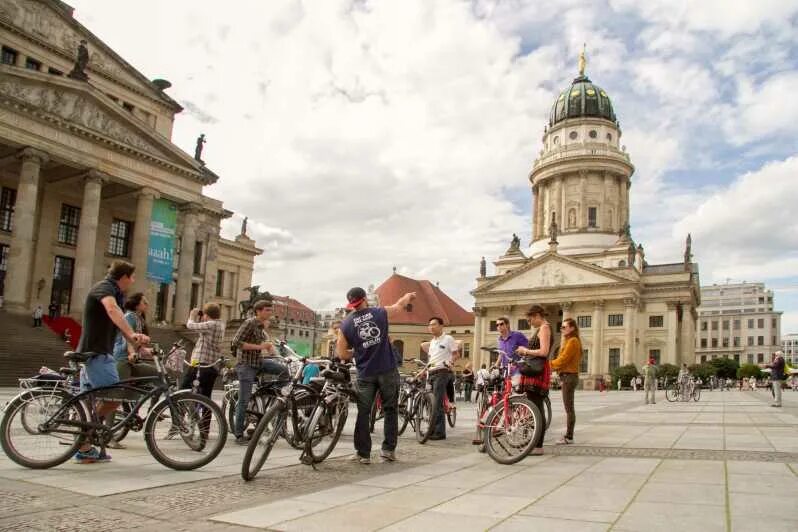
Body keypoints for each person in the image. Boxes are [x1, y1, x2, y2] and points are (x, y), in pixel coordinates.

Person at [74, 260, 149, 463]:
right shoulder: (105, 288)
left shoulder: (116, 292)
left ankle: (85, 444)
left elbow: (119, 327)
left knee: (93, 403)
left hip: (99, 352)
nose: (133, 281)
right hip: (95, 352)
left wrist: (140, 347)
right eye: (132, 277)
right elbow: (112, 310)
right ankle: (84, 438)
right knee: (114, 398)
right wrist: (133, 334)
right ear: (124, 277)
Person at [337, 287, 416, 464]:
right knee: (390, 410)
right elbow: (399, 306)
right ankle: (388, 450)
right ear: (365, 298)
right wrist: (407, 295)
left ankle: (363, 453)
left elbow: (341, 354)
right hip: (387, 369)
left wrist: (358, 353)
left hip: (365, 373)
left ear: (351, 303)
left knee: (363, 412)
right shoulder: (379, 312)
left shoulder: (346, 324)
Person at [231, 298, 289, 444]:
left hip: (258, 362)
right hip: (246, 364)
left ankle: (274, 397)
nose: (270, 312)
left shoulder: (262, 325)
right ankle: (238, 435)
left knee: (283, 370)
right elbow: (236, 342)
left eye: (271, 310)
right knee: (244, 400)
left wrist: (279, 356)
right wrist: (261, 347)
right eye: (267, 310)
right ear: (258, 311)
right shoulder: (249, 323)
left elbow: (268, 345)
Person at [513, 306, 552, 454]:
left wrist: (525, 351)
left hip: (538, 371)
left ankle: (538, 446)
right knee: (533, 408)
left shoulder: (544, 328)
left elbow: (544, 351)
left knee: (536, 408)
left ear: (536, 315)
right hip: (534, 370)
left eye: (530, 319)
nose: (529, 323)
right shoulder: (541, 328)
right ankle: (534, 443)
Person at [421, 317, 460, 441]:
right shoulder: (432, 342)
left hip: (442, 372)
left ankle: (439, 432)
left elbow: (456, 354)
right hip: (431, 373)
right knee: (430, 402)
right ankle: (431, 429)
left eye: (434, 324)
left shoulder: (448, 339)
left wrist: (450, 362)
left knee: (437, 402)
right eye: (429, 325)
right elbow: (431, 360)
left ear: (441, 326)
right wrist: (423, 371)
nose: (431, 327)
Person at [181, 303, 225, 398]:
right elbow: (203, 331)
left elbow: (190, 325)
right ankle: (206, 412)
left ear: (206, 315)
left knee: (183, 390)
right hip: (212, 365)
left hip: (200, 364)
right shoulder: (220, 324)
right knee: (205, 396)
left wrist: (192, 316)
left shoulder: (211, 324)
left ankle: (179, 411)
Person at [550, 317, 582, 444]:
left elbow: (563, 359)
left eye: (564, 327)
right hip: (568, 376)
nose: (561, 329)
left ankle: (569, 436)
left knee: (569, 409)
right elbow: (562, 360)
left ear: (572, 328)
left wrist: (548, 365)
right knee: (569, 408)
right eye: (561, 327)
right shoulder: (570, 340)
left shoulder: (573, 341)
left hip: (569, 377)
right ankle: (569, 435)